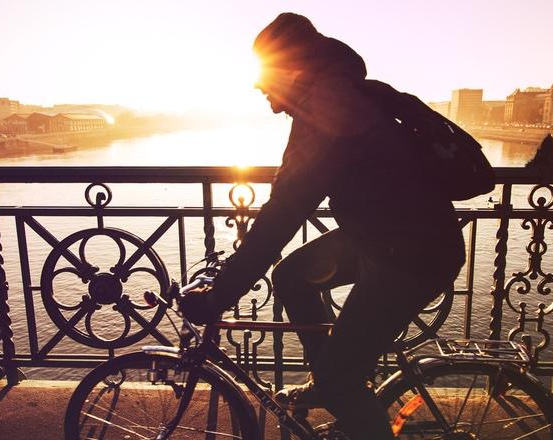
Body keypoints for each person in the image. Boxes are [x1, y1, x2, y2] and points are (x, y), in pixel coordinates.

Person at [179, 12, 465, 439]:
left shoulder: (328, 108)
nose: (258, 85)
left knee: (341, 380)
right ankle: (330, 382)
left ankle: (338, 386)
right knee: (292, 276)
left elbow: (284, 213)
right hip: (389, 236)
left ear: (291, 69)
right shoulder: (335, 92)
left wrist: (220, 296)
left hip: (411, 255)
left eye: (264, 74)